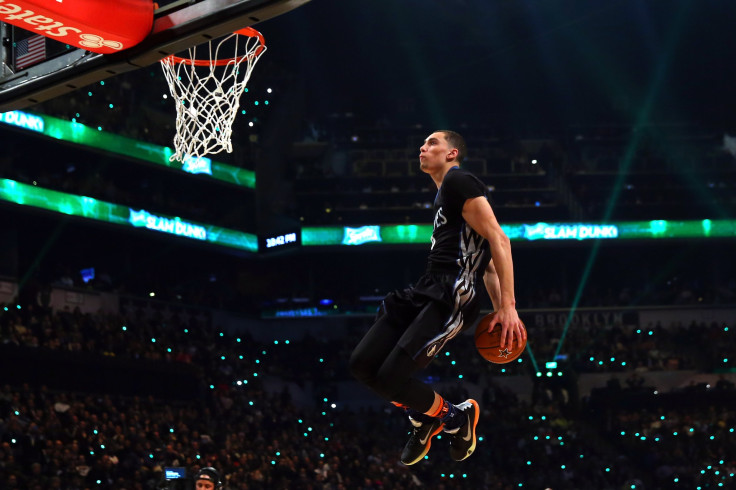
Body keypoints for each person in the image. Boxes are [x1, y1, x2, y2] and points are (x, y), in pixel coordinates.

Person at [349, 130, 525, 465]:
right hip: (427, 286)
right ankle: (434, 415)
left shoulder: (460, 181)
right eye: (423, 142)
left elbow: (500, 240)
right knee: (361, 365)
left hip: (451, 293)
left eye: (432, 143)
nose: (422, 147)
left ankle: (456, 420)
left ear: (452, 153)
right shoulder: (446, 193)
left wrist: (507, 306)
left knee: (389, 379)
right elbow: (486, 265)